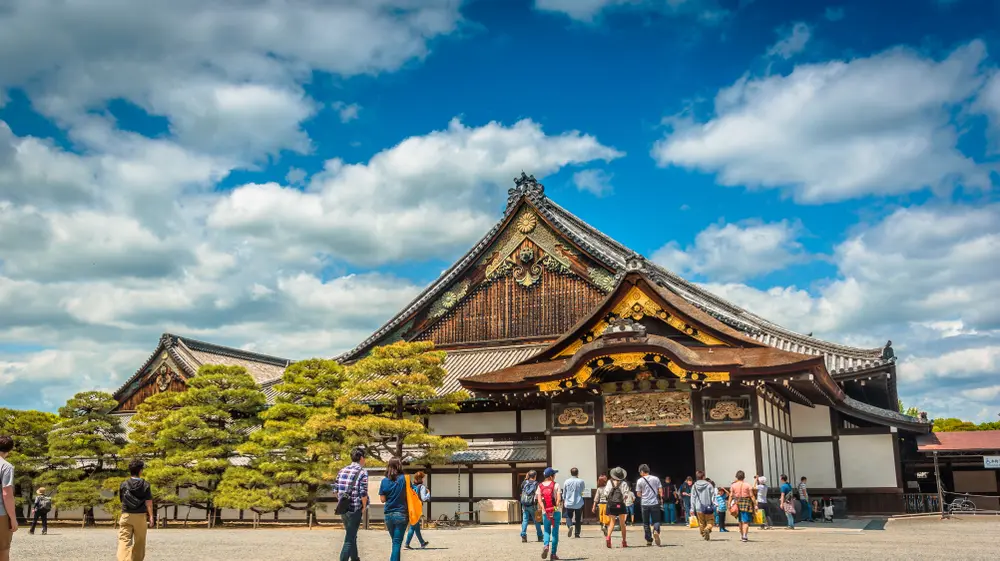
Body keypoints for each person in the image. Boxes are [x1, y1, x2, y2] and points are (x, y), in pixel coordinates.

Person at [336, 446, 369, 561]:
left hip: (343, 509)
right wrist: (364, 507)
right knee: (350, 538)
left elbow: (336, 490)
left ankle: (355, 558)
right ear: (360, 458)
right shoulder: (362, 472)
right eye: (364, 457)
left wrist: (341, 502)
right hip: (355, 508)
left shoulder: (342, 470)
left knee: (352, 534)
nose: (365, 460)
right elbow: (363, 493)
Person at [117, 459, 154, 561]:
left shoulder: (123, 484)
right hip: (140, 516)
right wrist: (151, 516)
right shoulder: (146, 484)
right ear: (140, 471)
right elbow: (148, 502)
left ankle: (124, 559)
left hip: (126, 514)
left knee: (124, 540)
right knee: (140, 541)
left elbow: (121, 499)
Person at [379, 457, 409, 561]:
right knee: (396, 543)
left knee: (395, 543)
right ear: (399, 465)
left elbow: (382, 499)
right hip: (401, 513)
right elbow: (410, 495)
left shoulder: (384, 481)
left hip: (388, 515)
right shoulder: (405, 479)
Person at [536, 467, 562, 560]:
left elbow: (539, 500)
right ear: (551, 476)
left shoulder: (540, 486)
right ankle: (553, 554)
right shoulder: (556, 485)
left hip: (545, 512)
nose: (555, 476)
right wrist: (554, 508)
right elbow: (558, 499)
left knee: (546, 531)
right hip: (556, 511)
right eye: (554, 474)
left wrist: (544, 509)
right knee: (555, 533)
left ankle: (546, 545)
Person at [635, 464, 663, 546]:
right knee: (656, 520)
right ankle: (656, 531)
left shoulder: (639, 481)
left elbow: (638, 494)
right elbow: (660, 490)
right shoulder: (656, 478)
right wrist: (660, 498)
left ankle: (649, 540)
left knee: (646, 523)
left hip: (644, 503)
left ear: (642, 472)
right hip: (654, 502)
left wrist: (644, 495)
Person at [603, 467, 630, 549]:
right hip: (620, 505)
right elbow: (625, 495)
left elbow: (605, 493)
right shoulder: (624, 483)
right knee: (622, 523)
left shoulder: (609, 482)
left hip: (611, 504)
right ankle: (624, 542)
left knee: (612, 523)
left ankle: (608, 537)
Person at [405, 471, 430, 549]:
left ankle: (422, 543)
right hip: (417, 508)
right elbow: (423, 498)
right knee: (413, 526)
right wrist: (428, 494)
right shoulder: (422, 487)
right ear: (422, 478)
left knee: (416, 526)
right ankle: (407, 543)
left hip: (411, 507)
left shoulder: (411, 486)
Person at [0, 435, 16, 561]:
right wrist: (13, 518)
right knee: (3, 549)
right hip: (1, 513)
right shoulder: (6, 466)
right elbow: (7, 494)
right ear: (9, 450)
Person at [728, 470, 755, 543]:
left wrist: (729, 504)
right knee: (745, 521)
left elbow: (731, 495)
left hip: (737, 502)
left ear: (736, 477)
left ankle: (742, 535)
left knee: (740, 521)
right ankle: (745, 536)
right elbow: (752, 495)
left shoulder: (733, 485)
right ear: (744, 477)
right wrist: (755, 504)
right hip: (746, 502)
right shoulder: (747, 485)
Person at [689, 470, 716, 541]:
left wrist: (692, 508)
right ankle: (707, 529)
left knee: (701, 522)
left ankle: (703, 533)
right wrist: (715, 504)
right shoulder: (709, 485)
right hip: (708, 507)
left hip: (698, 507)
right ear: (703, 476)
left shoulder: (694, 486)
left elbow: (692, 497)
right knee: (710, 520)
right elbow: (713, 496)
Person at [519, 470, 543, 543]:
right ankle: (540, 536)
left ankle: (523, 535)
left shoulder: (524, 482)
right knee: (537, 521)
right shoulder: (536, 484)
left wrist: (526, 478)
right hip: (533, 505)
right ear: (535, 476)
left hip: (524, 504)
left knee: (525, 520)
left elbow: (522, 489)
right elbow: (538, 494)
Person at [562, 467, 585, 538]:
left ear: (571, 473)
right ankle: (577, 534)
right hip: (578, 502)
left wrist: (564, 499)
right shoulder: (581, 481)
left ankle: (570, 526)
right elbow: (582, 490)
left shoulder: (566, 481)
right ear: (577, 473)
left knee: (568, 516)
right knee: (578, 518)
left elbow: (564, 492)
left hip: (569, 502)